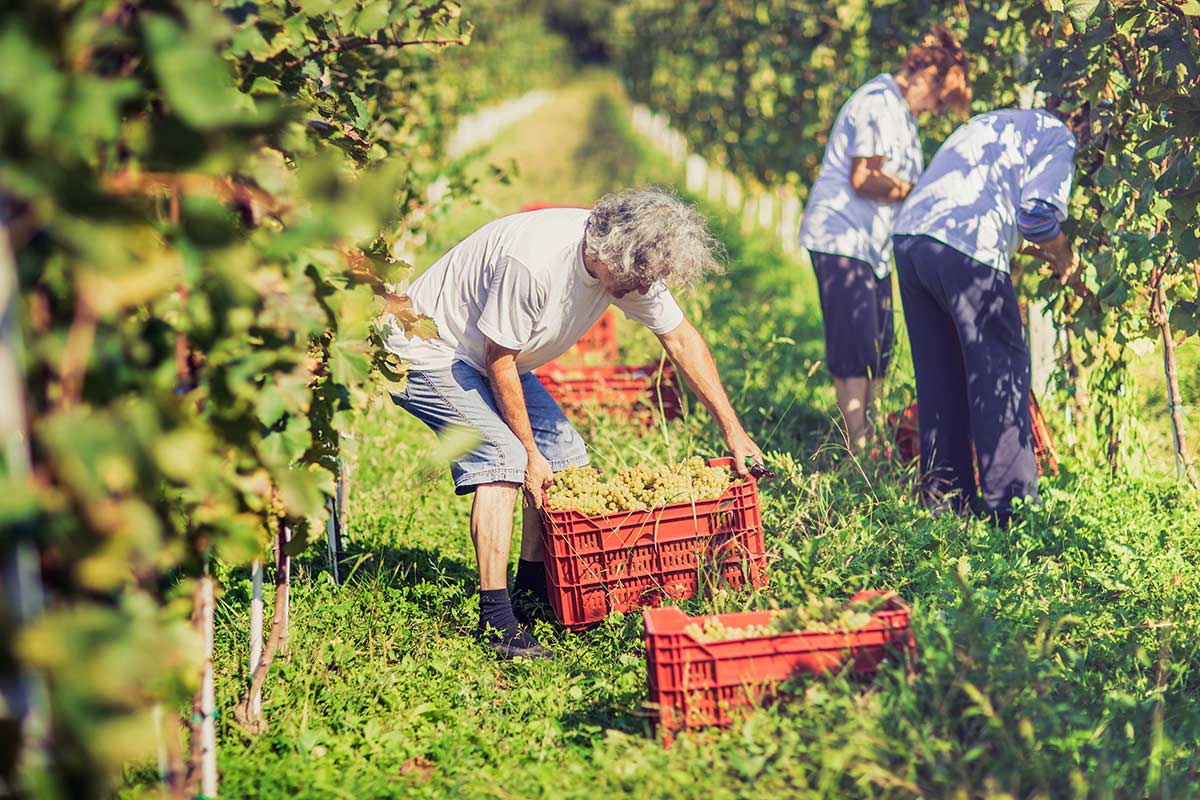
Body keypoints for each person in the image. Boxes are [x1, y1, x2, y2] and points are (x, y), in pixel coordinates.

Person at [383, 187, 764, 659]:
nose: (641, 289)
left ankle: (532, 591)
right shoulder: (536, 262)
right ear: (606, 254)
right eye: (635, 279)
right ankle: (496, 620)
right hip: (426, 353)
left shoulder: (628, 261)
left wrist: (733, 428)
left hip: (493, 357)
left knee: (566, 460)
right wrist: (529, 453)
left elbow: (681, 339)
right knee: (504, 458)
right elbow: (498, 358)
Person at [890, 106, 1081, 523]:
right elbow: (1036, 216)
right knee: (1000, 373)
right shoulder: (1060, 137)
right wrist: (1064, 255)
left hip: (911, 241)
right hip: (965, 248)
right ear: (1080, 122)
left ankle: (946, 501)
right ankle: (1011, 509)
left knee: (940, 375)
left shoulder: (990, 124)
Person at [797, 28, 970, 453]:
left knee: (880, 343)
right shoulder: (878, 104)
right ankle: (858, 448)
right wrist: (920, 192)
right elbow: (864, 178)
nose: (934, 109)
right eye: (937, 98)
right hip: (842, 236)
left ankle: (870, 437)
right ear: (924, 77)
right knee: (854, 343)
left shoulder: (901, 113)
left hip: (871, 244)